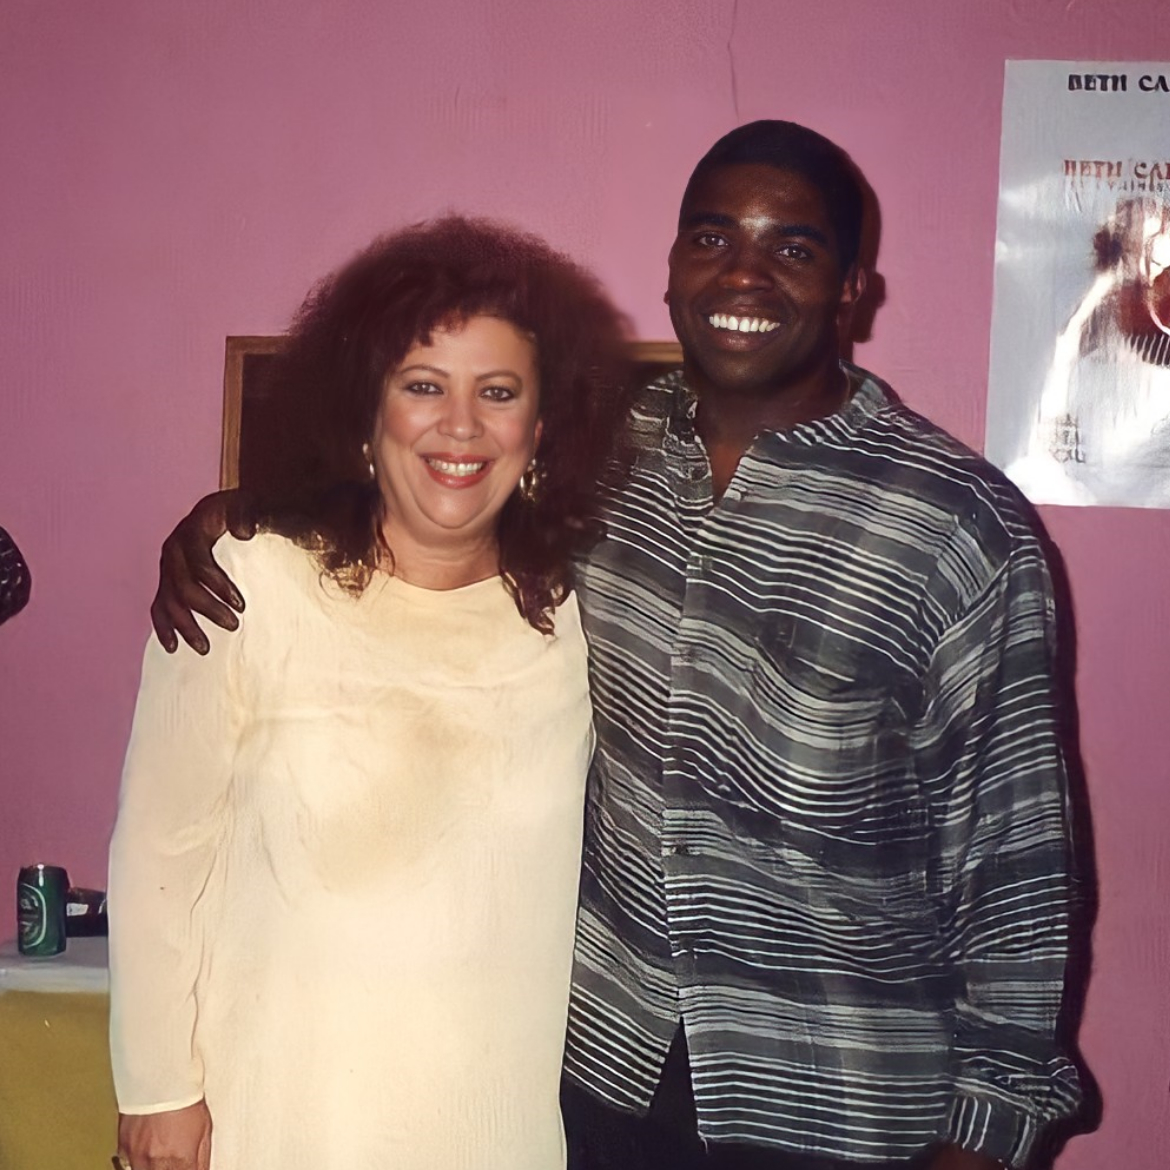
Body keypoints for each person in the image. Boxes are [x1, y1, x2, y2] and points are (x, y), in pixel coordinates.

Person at [150, 122, 1084, 1170]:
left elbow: (1017, 874)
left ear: (853, 290)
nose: (744, 275)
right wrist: (246, 516)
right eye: (713, 238)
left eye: (793, 249)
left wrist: (983, 1138)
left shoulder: (955, 529)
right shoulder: (600, 458)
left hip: (837, 1104)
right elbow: (432, 482)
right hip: (603, 1084)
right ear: (673, 269)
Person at [108, 216, 634, 1170]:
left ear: (540, 430)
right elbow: (160, 846)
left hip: (489, 1128)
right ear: (367, 413)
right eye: (423, 385)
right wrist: (155, 1090)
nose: (461, 425)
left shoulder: (577, 617)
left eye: (498, 392)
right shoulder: (247, 582)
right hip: (275, 1113)